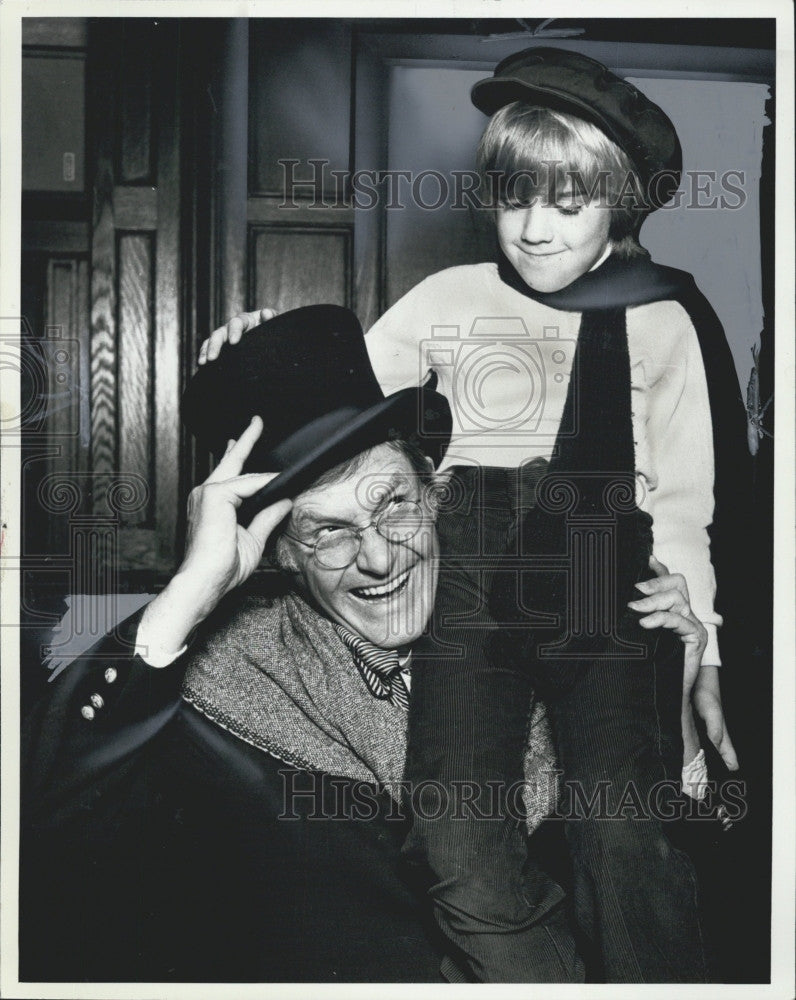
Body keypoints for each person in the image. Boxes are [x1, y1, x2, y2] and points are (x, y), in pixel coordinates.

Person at [199, 49, 749, 983]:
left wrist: (705, 651)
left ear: (619, 203)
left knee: (624, 839)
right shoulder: (449, 300)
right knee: (454, 834)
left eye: (567, 204)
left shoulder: (663, 322)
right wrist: (253, 352)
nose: (533, 230)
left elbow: (689, 505)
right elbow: (332, 397)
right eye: (512, 199)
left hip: (607, 587)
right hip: (476, 589)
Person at [22, 304, 596, 982]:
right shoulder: (223, 693)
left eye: (394, 506)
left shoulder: (537, 634)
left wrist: (663, 682)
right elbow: (46, 836)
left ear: (434, 497)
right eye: (328, 532)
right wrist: (187, 595)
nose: (378, 559)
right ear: (283, 556)